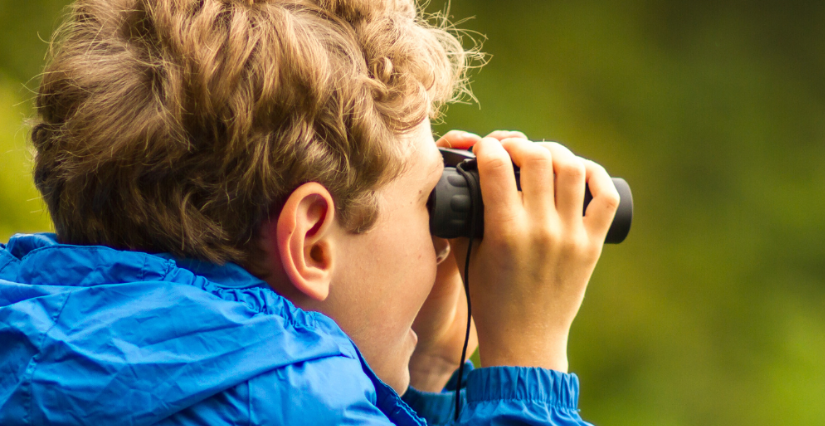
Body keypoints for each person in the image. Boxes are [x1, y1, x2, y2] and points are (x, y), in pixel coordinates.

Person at [0, 0, 621, 424]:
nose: (441, 243)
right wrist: (528, 368)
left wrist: (430, 364)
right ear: (313, 240)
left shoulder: (40, 336)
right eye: (428, 204)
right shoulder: (293, 395)